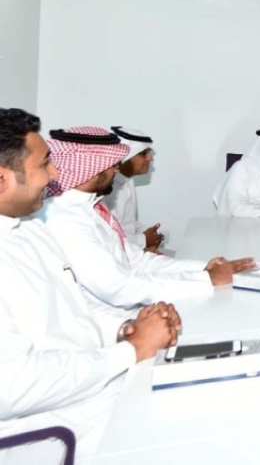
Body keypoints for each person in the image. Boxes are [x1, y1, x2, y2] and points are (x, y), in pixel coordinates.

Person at [0, 108, 180, 462]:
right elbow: (14, 386)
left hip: (94, 383)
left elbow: (74, 301)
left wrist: (126, 327)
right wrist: (131, 350)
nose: (55, 174)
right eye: (44, 164)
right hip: (50, 428)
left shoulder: (28, 228)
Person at [39, 126, 255, 309]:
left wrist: (202, 269)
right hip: (105, 320)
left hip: (126, 307)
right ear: (91, 168)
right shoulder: (64, 219)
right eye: (112, 164)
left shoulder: (91, 206)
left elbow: (136, 260)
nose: (117, 170)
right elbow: (118, 288)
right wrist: (207, 280)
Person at [105, 126, 163, 252]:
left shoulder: (127, 181)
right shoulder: (103, 188)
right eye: (144, 153)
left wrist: (150, 234)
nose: (150, 158)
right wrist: (143, 240)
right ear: (125, 156)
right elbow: (105, 236)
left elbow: (127, 224)